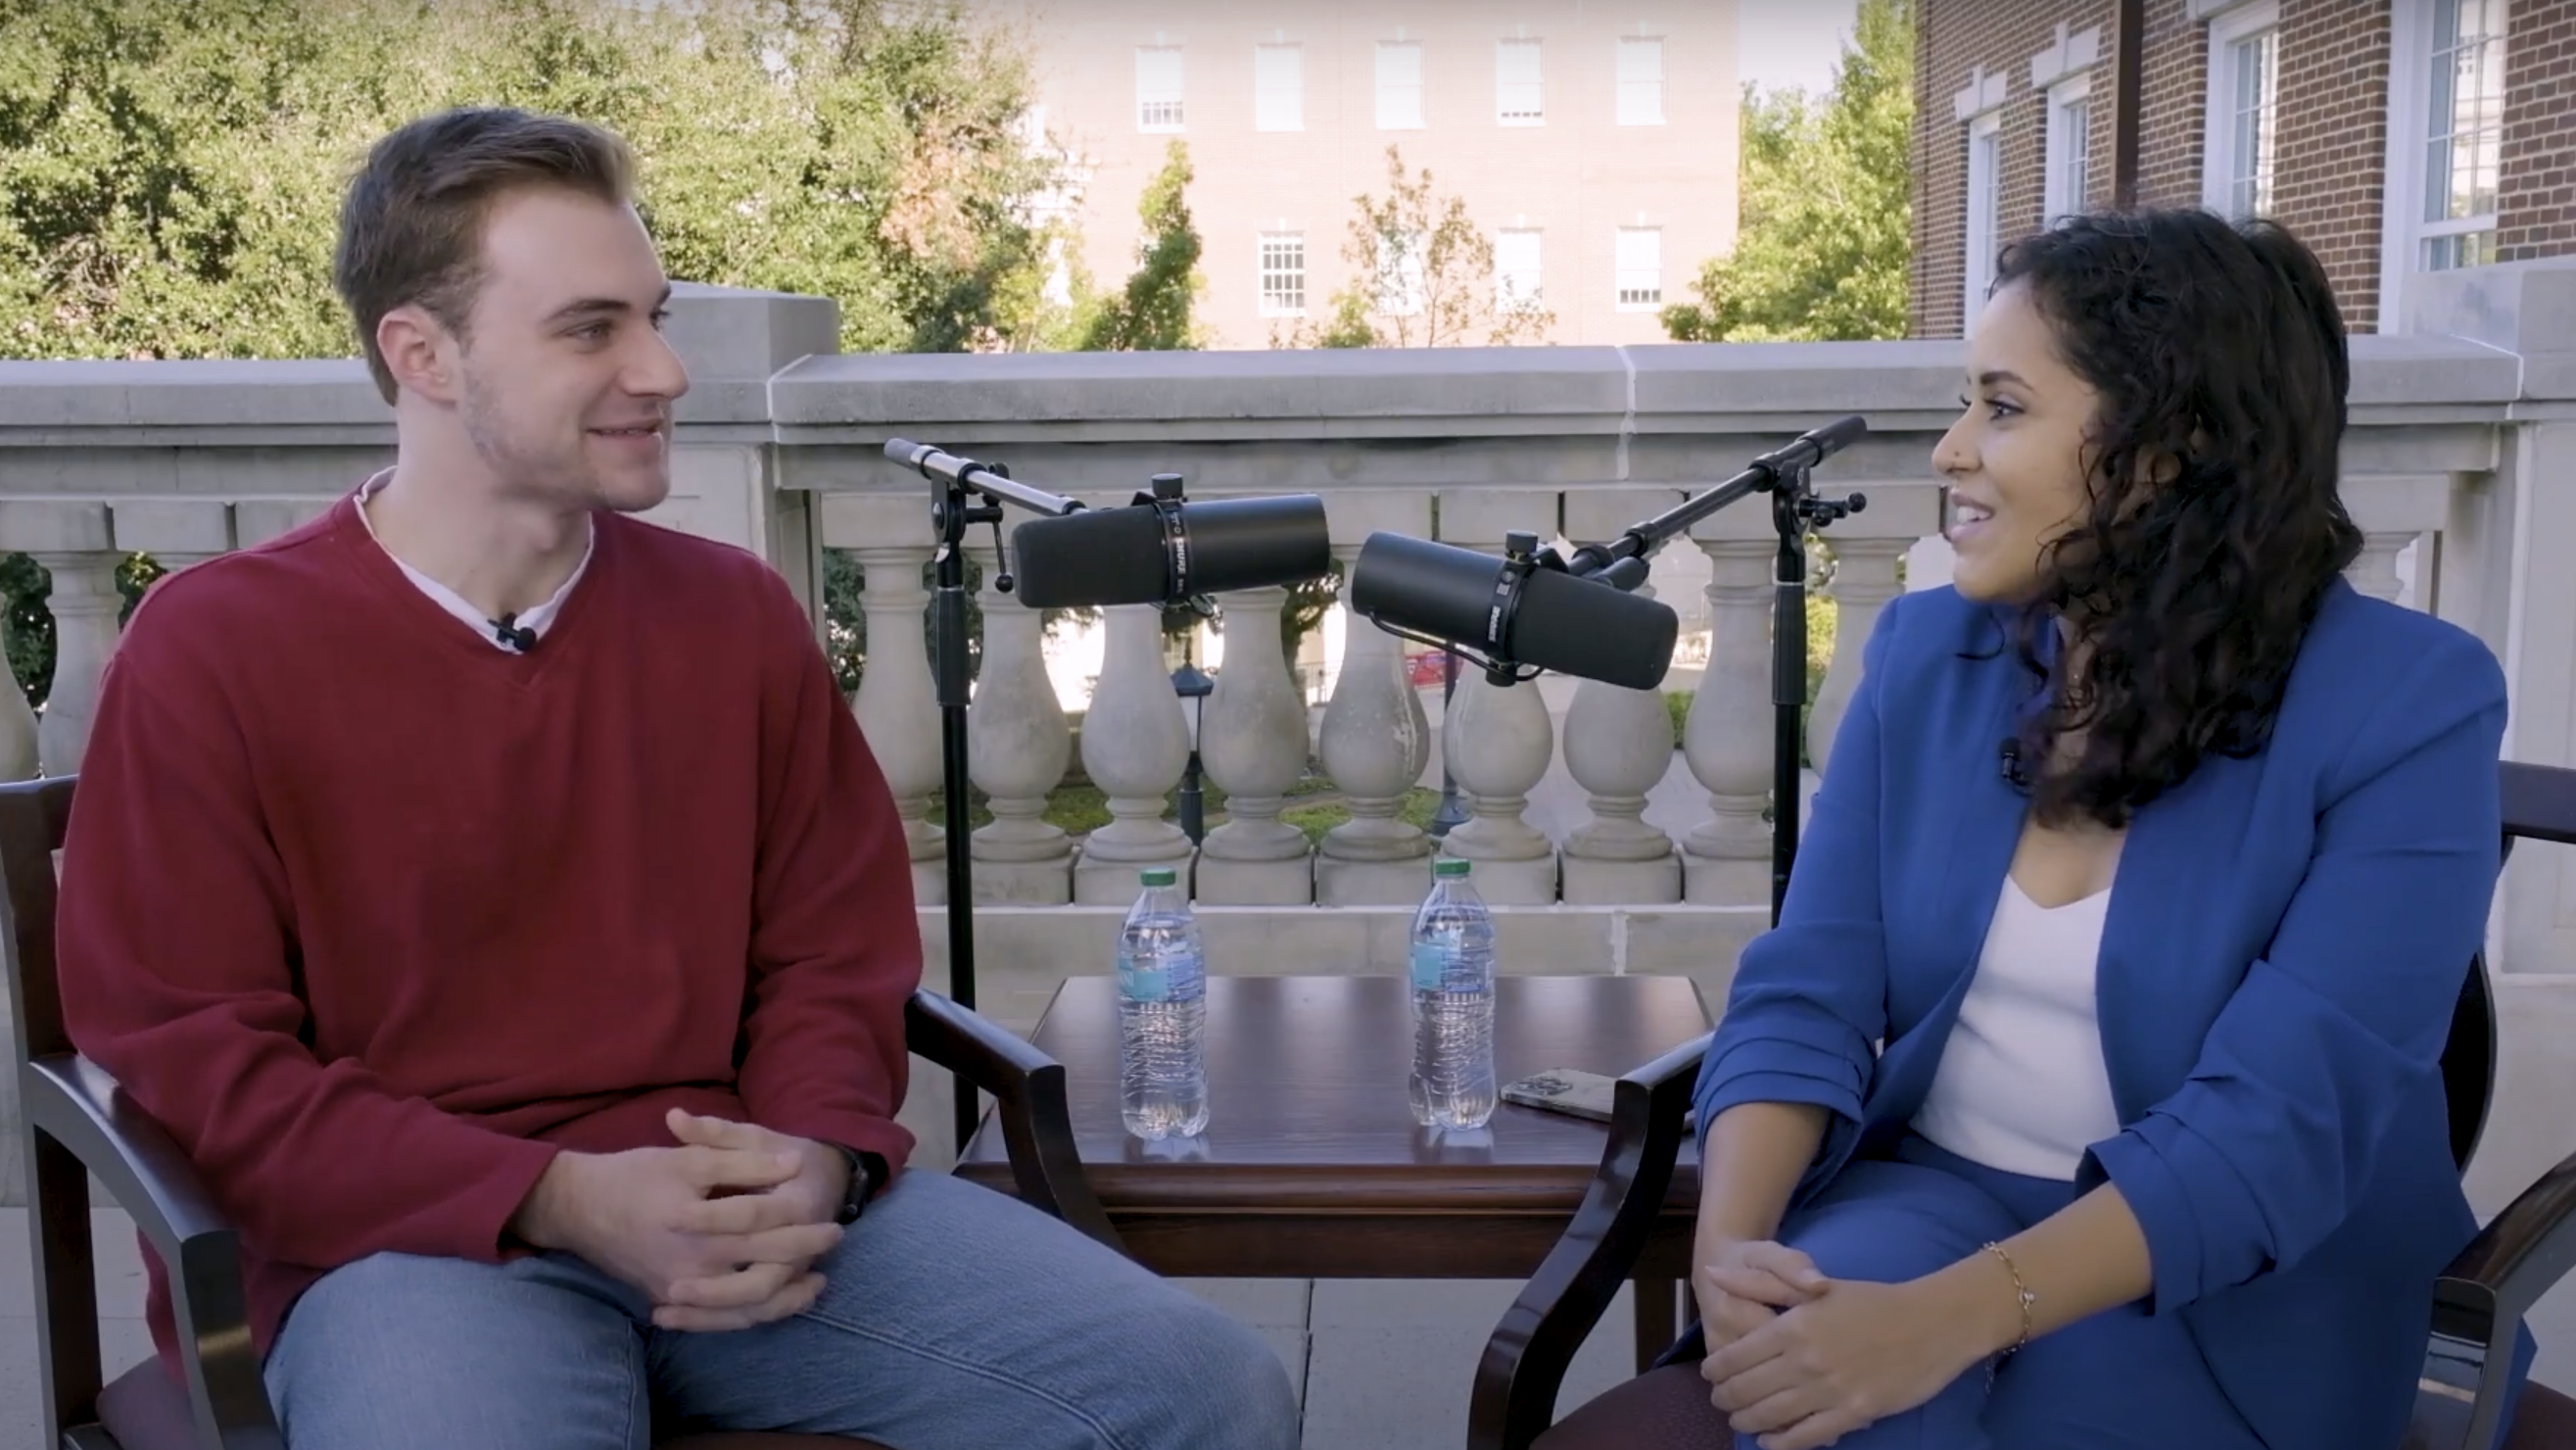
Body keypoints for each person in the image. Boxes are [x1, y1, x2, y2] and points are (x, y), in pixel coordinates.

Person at [53, 105, 1301, 1450]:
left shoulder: (732, 614)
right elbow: (197, 1065)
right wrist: (554, 1196)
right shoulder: (217, 648)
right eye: (590, 330)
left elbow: (832, 951)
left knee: (1198, 1387)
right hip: (395, 1249)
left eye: (654, 315)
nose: (662, 369)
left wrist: (814, 1149)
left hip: (740, 1196)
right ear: (421, 354)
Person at [1594, 209, 2530, 1450]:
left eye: (2001, 406)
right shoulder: (1928, 654)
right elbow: (1804, 991)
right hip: (1922, 1196)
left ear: (2172, 443)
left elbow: (2278, 1125)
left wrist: (1945, 1323)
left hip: (2239, 1284)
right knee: (1821, 1392)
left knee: (1872, 1403)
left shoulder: (2405, 704)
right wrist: (1732, 1255)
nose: (1947, 451)